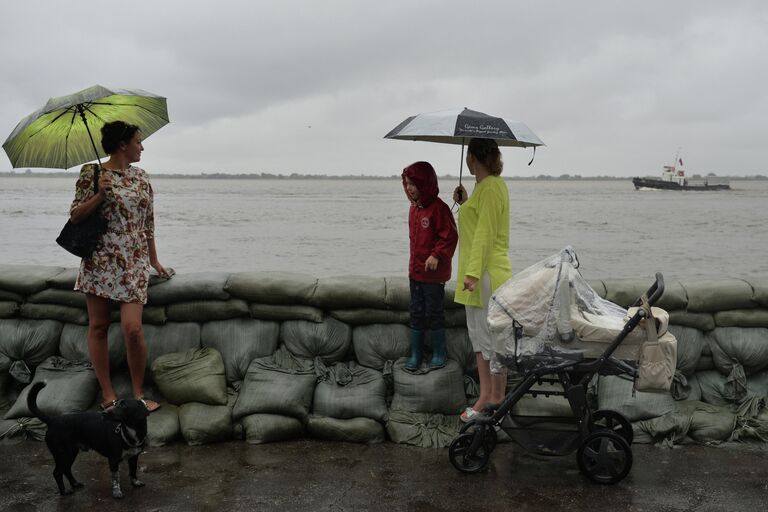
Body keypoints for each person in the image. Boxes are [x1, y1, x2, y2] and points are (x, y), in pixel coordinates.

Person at [69, 120, 170, 412]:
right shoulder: (92, 173)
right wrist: (100, 194)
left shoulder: (141, 177)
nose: (142, 146)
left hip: (134, 261)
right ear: (122, 144)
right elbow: (75, 216)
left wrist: (153, 259)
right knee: (99, 327)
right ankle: (109, 396)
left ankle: (138, 395)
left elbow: (148, 222)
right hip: (99, 259)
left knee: (132, 329)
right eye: (138, 141)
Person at [452, 138, 512, 422]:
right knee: (481, 340)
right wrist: (465, 203)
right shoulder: (487, 187)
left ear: (472, 157)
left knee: (489, 340)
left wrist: (473, 274)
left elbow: (485, 234)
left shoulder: (489, 188)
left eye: (468, 154)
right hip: (482, 273)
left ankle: (494, 400)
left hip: (485, 275)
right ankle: (486, 397)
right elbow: (478, 224)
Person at [401, 162, 458, 371]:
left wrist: (436, 255)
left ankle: (439, 352)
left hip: (433, 276)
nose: (409, 188)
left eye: (413, 184)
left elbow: (450, 236)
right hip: (415, 272)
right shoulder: (414, 209)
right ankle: (416, 354)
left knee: (434, 312)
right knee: (416, 311)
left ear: (425, 184)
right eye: (406, 184)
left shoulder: (439, 209)